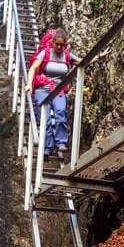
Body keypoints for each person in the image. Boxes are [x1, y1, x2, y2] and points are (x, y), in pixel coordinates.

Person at [27, 28, 76, 161]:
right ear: (52, 42)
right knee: (46, 119)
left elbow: (82, 62)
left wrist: (98, 57)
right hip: (43, 89)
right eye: (57, 44)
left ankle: (61, 143)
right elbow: (33, 68)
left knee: (60, 112)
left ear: (65, 44)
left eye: (62, 45)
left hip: (58, 90)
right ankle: (47, 148)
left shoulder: (66, 55)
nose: (59, 47)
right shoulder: (45, 53)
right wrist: (28, 84)